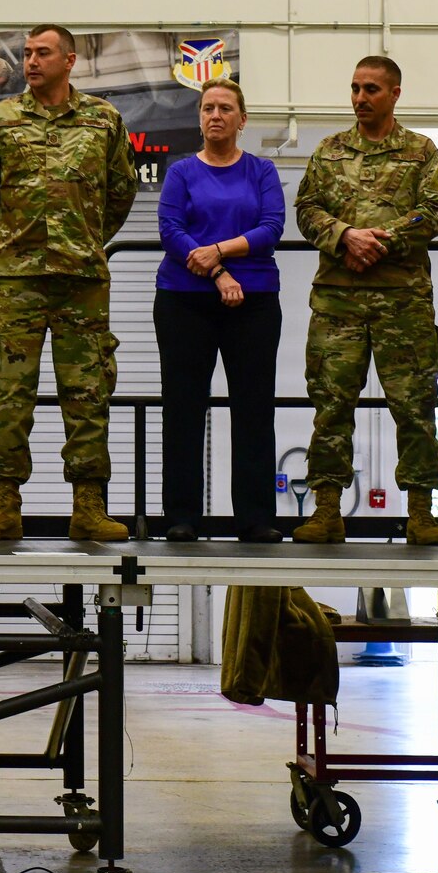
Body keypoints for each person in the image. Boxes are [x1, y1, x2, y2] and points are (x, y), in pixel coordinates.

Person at [0, 24, 137, 542]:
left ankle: (88, 507)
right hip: (16, 280)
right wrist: (19, 236)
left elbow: (122, 191)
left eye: (43, 53)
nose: (32, 61)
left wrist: (83, 238)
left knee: (87, 395)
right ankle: (3, 506)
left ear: (70, 60)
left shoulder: (104, 120)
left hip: (82, 280)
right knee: (8, 394)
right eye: (27, 53)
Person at [290, 57, 438, 546]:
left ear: (395, 93)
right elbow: (305, 209)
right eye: (356, 89)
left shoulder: (421, 152)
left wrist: (380, 240)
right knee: (331, 407)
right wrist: (344, 236)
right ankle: (326, 511)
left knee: (415, 407)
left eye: (372, 90)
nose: (361, 98)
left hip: (402, 303)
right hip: (338, 303)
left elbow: (436, 210)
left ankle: (421, 513)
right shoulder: (329, 151)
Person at [154, 78, 285, 542]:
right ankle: (182, 516)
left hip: (254, 305)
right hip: (184, 301)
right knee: (184, 409)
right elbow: (170, 230)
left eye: (225, 108)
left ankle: (255, 518)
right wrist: (219, 272)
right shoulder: (181, 173)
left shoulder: (262, 171)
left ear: (242, 119)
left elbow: (272, 227)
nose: (215, 115)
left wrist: (218, 251)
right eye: (208, 107)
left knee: (253, 410)